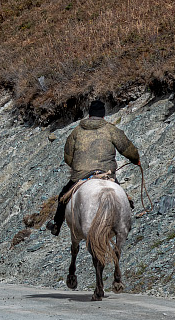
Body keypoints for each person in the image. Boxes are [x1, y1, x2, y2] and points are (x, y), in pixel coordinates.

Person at [47, 100, 140, 236]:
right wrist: (135, 159)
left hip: (80, 175)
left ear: (89, 114)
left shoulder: (76, 132)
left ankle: (56, 225)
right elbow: (127, 148)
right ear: (103, 115)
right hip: (106, 173)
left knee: (63, 196)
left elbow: (68, 157)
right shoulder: (111, 129)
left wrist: (78, 167)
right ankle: (125, 223)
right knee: (123, 197)